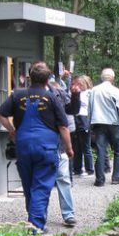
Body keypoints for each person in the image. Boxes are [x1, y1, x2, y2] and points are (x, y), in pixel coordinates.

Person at [0, 62, 73, 233]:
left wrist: (12, 130)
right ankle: (36, 227)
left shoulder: (17, 95)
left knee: (29, 185)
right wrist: (69, 148)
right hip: (45, 148)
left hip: (23, 147)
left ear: (30, 78)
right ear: (48, 80)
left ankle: (33, 220)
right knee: (41, 186)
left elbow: (0, 113)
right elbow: (63, 127)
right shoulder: (51, 97)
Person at [49, 70, 82, 227]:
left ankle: (68, 214)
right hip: (45, 145)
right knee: (43, 181)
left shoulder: (60, 94)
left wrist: (76, 95)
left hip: (59, 145)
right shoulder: (31, 98)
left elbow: (72, 110)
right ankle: (37, 218)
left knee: (63, 178)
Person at [89, 68, 119, 187]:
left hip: (99, 124)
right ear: (113, 78)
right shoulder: (116, 91)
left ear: (101, 77)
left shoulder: (94, 90)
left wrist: (90, 123)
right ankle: (116, 177)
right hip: (114, 123)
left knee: (101, 150)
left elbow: (90, 108)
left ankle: (100, 179)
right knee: (118, 150)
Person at [71, 75, 95, 177]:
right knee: (76, 147)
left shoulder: (90, 93)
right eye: (77, 84)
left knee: (86, 146)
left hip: (84, 120)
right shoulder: (77, 93)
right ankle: (77, 169)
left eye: (80, 84)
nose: (79, 86)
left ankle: (90, 169)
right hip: (76, 119)